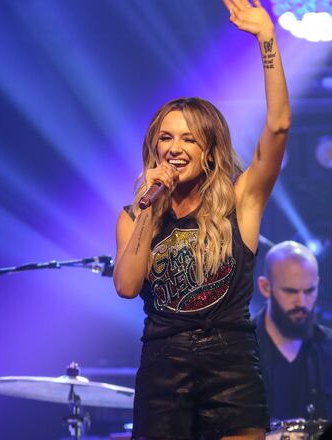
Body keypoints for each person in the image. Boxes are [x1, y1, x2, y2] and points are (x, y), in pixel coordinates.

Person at [112, 1, 289, 438]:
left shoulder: (242, 200)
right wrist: (150, 211)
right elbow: (127, 287)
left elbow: (278, 128)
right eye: (166, 138)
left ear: (209, 153)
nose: (175, 147)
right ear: (154, 148)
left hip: (231, 366)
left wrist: (267, 40)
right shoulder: (134, 215)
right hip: (163, 369)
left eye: (189, 139)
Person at [255, 241, 332, 422]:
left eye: (310, 291)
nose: (302, 302)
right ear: (266, 287)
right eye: (290, 291)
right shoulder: (240, 348)